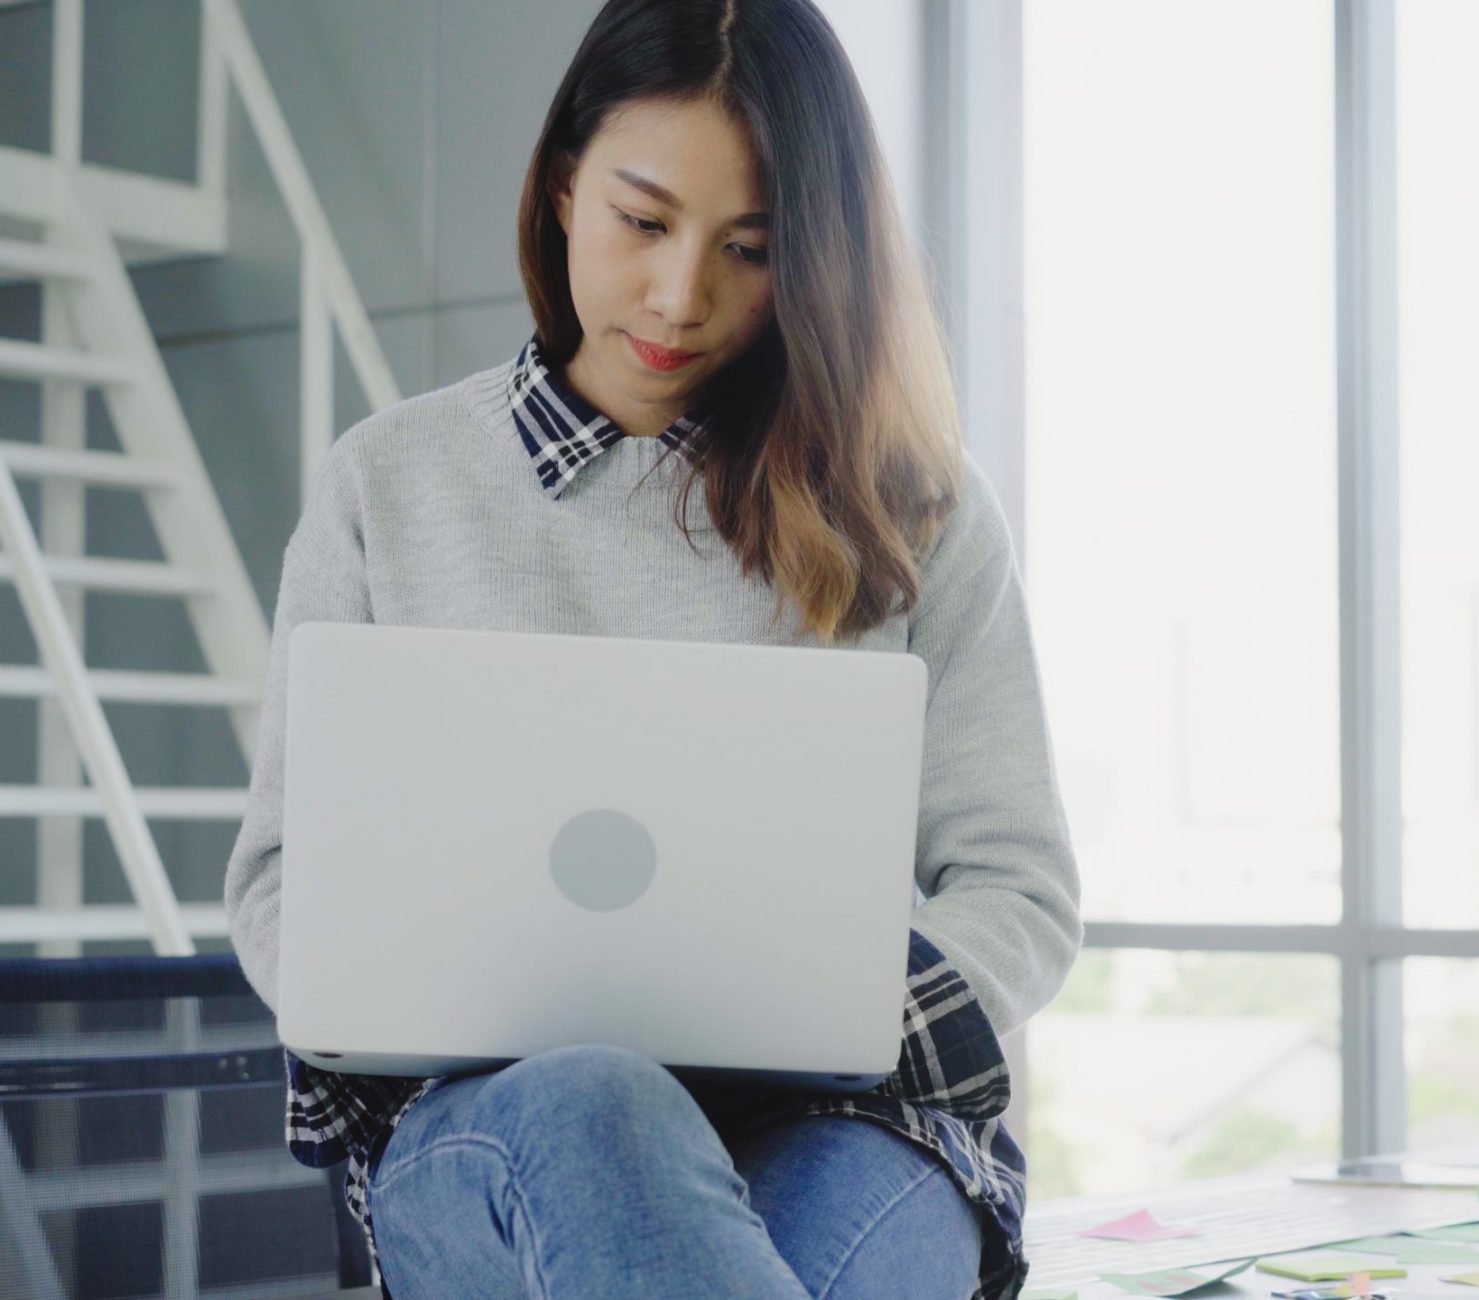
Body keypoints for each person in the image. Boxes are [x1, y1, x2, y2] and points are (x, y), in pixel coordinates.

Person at [220, 1, 1081, 1295]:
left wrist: (824, 1011)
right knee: (599, 1105)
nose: (684, 297)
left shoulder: (915, 505)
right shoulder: (388, 484)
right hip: (500, 1130)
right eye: (642, 220)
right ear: (564, 184)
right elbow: (284, 877)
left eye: (751, 247)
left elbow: (1018, 890)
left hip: (852, 1127)